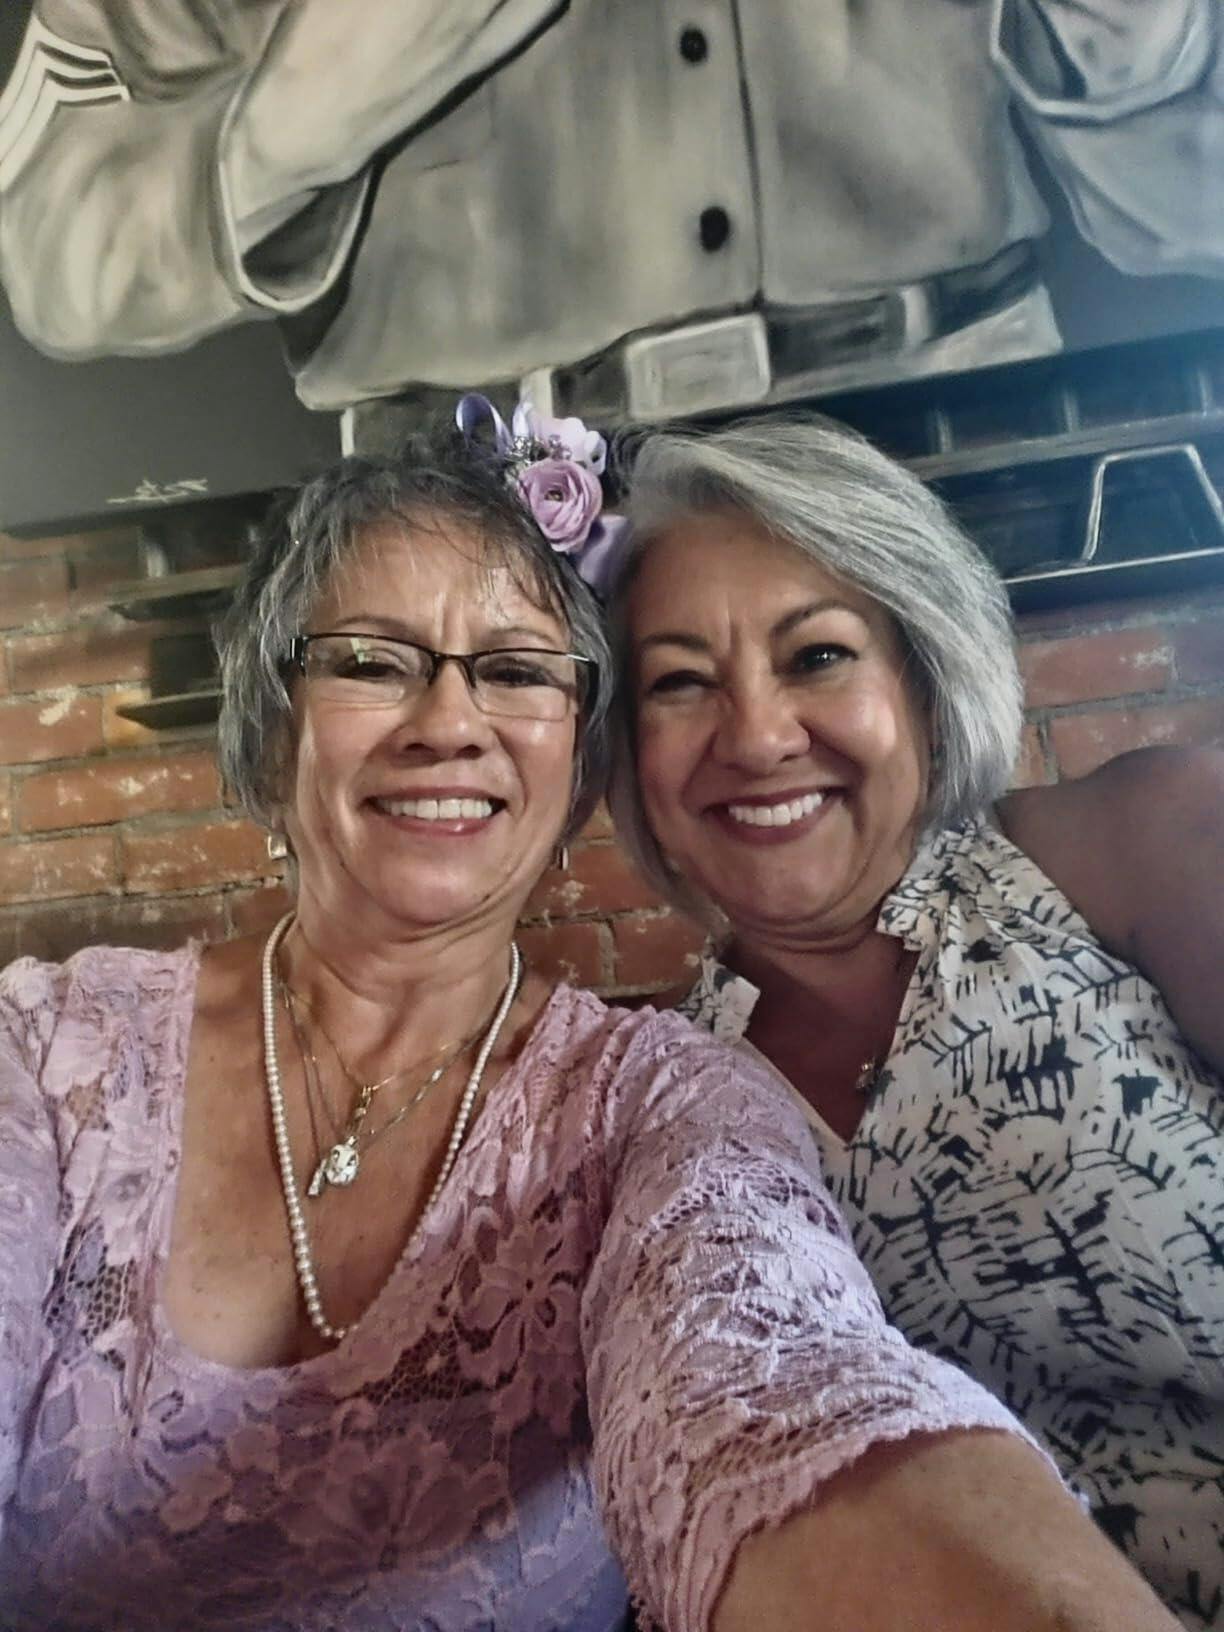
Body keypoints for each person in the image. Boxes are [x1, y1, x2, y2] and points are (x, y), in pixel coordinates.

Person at [0, 422, 1183, 1632]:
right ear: (274, 720)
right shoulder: (46, 1049)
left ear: (576, 761)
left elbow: (773, 1379)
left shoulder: (664, 1099)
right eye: (370, 661)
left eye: (517, 671)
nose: (447, 721)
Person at [607, 413, 1224, 1630]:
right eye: (679, 682)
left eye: (817, 656)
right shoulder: (665, 1097)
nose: (757, 736)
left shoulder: (1134, 845)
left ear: (924, 682)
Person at [0, 1, 1222, 426]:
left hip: (974, 432)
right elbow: (52, 259)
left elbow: (1189, 214)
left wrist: (1134, 39)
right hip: (476, 515)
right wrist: (316, 108)